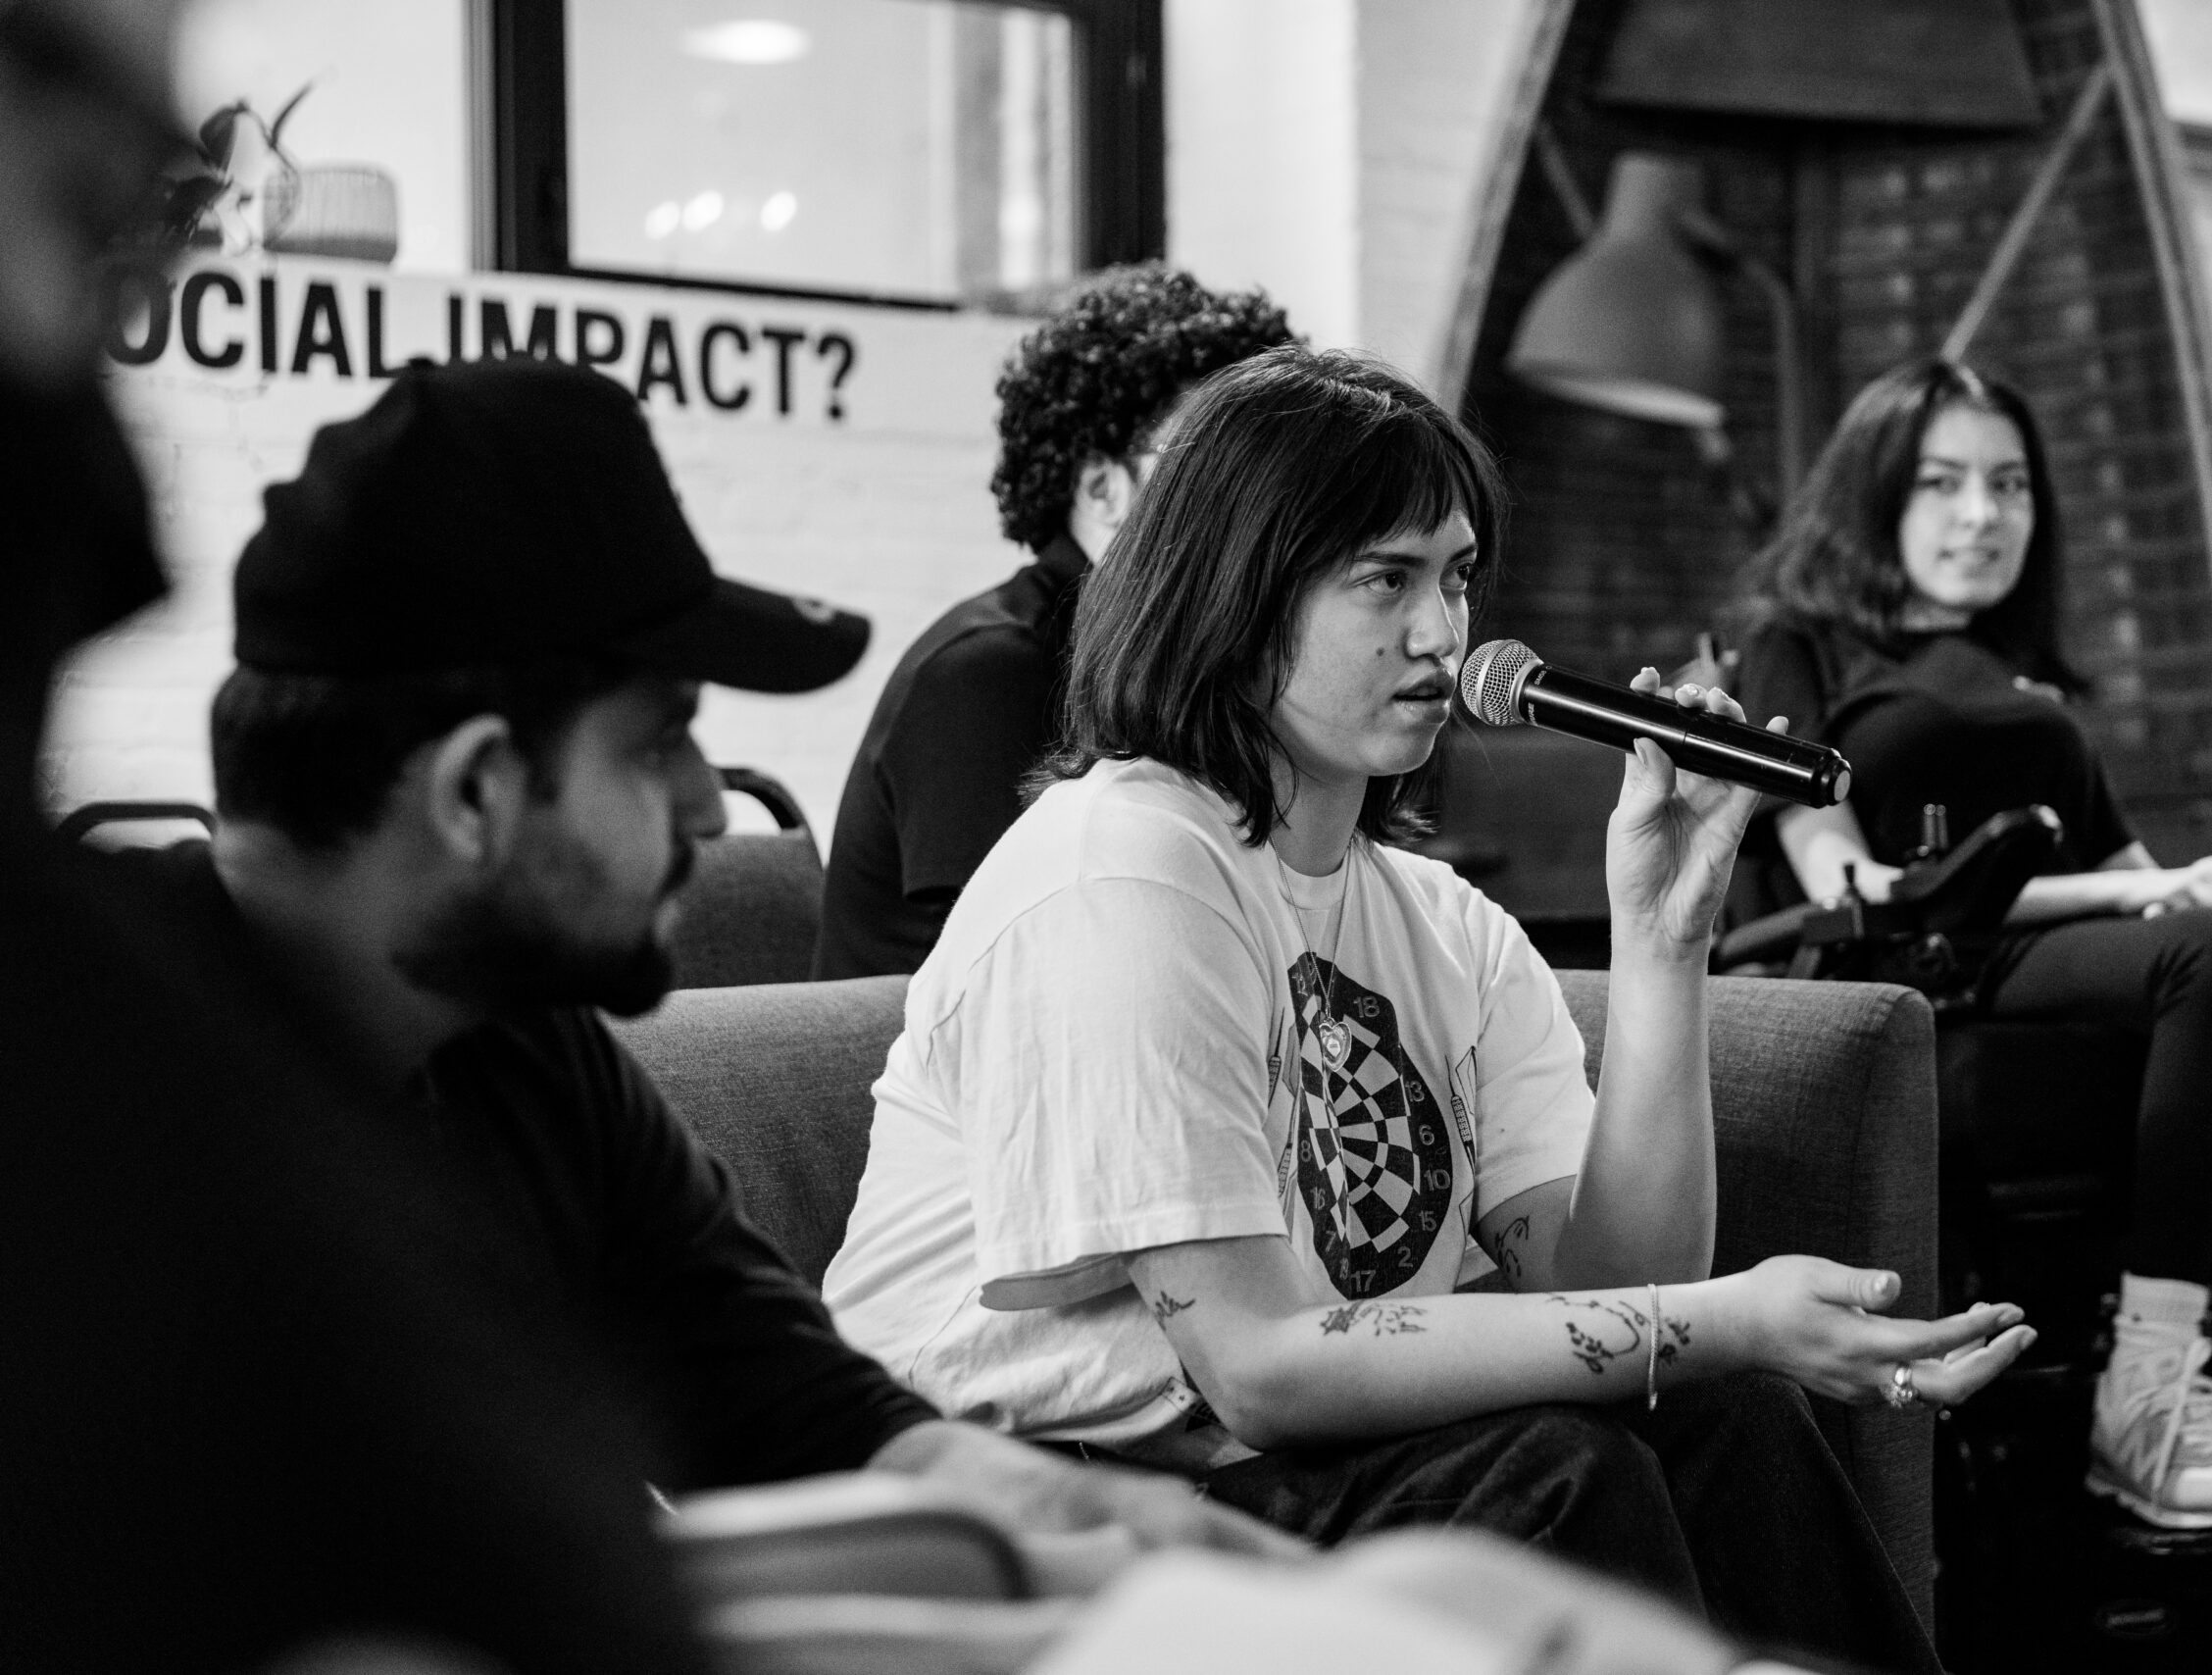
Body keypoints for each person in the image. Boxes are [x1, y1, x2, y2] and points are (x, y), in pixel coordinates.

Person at [824, 346, 2033, 1674]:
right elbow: (1261, 1365)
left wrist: (1666, 939)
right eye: (1383, 581)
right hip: (1041, 1498)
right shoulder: (1123, 869)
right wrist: (1728, 1317)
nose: (1441, 636)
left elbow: (1616, 1288)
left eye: (1455, 579)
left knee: (1731, 1415)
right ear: (1235, 596)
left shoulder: (1445, 925)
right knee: (1559, 1472)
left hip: (1268, 1461)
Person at [192, 356, 1302, 1559]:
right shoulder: (97, 1099)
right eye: (660, 743)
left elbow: (800, 1413)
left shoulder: (520, 1044)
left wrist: (1123, 1537)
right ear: (477, 789)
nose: (707, 809)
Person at [2, 5, 710, 1672]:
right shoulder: (130, 1080)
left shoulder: (513, 1055)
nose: (119, 522)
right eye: (70, 209)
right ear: (473, 788)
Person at [1727, 357, 2212, 1531]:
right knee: (2209, 954)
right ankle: (2143, 1394)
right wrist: (2128, 903)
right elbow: (1851, 881)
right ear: (1875, 491)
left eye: (2008, 485)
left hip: (2029, 961)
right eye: (1942, 483)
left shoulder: (2024, 670)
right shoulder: (1801, 645)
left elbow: (2132, 874)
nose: (1981, 514)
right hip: (1901, 971)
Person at [813, 265, 1295, 979]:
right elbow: (1035, 965)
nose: (1251, 502)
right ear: (1104, 488)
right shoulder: (988, 672)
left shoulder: (1196, 662)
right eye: (1209, 470)